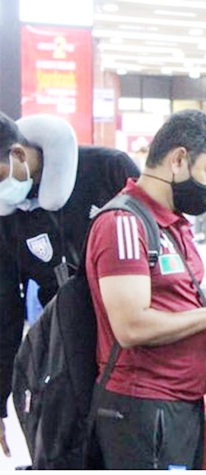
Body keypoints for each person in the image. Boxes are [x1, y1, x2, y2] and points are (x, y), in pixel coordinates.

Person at [86, 110, 206, 469]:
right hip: (143, 406)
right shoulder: (124, 224)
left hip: (180, 403)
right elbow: (131, 328)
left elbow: (177, 305)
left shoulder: (174, 225)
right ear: (178, 160)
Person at [0, 112, 140, 456]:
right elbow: (4, 309)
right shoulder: (6, 217)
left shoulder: (107, 169)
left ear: (18, 155)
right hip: (63, 348)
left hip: (132, 340)